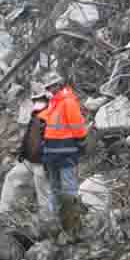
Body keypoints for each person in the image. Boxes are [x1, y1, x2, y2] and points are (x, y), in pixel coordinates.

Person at [40, 73, 88, 235]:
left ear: (59, 85)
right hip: (55, 153)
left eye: (52, 86)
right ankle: (59, 224)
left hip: (62, 151)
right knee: (57, 189)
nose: (50, 90)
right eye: (48, 87)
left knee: (67, 189)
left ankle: (73, 226)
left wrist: (81, 142)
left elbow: (77, 125)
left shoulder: (66, 102)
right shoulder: (55, 102)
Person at [0, 89, 52, 219]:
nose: (38, 102)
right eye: (36, 100)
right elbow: (28, 139)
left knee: (43, 193)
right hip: (29, 160)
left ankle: (48, 220)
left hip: (43, 163)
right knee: (11, 178)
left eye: (41, 99)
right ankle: (3, 213)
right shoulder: (35, 118)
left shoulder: (53, 118)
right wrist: (22, 154)